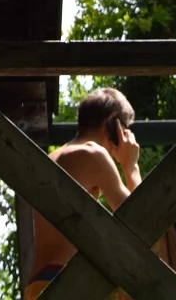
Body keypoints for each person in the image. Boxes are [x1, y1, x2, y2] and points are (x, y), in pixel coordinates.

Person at [24, 87, 143, 300]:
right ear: (112, 123)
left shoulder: (52, 157)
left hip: (38, 284)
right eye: (125, 130)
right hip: (71, 283)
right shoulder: (93, 153)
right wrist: (131, 167)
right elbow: (140, 224)